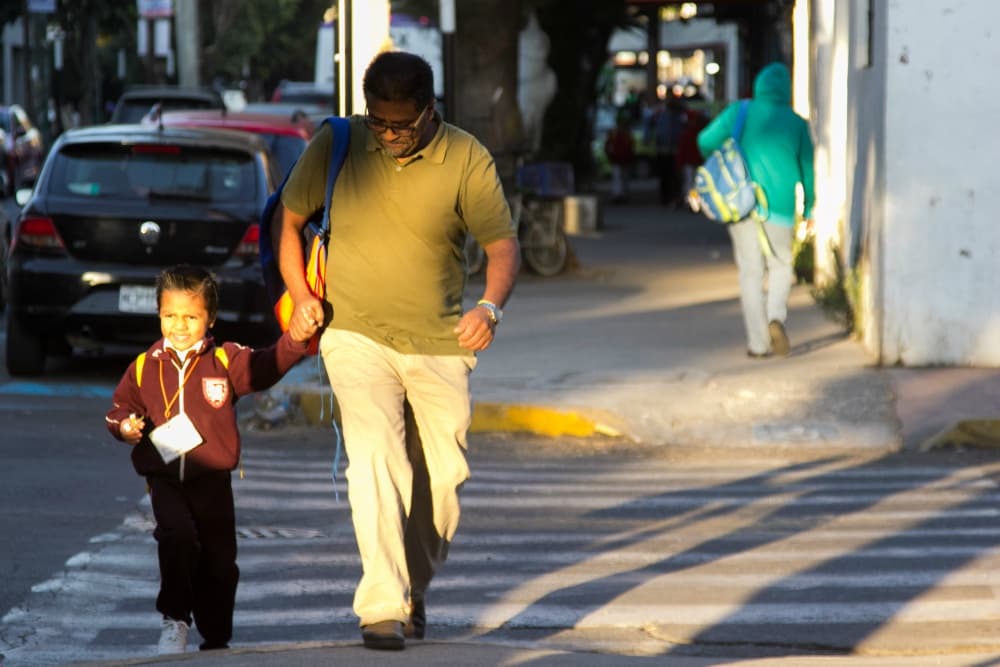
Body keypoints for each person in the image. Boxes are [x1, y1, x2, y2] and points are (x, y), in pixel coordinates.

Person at [276, 50, 520, 651]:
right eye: (378, 121)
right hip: (353, 333)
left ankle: (412, 587)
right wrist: (301, 294)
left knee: (442, 479)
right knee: (377, 460)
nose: (387, 135)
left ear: (429, 110)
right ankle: (382, 604)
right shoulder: (338, 144)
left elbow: (502, 246)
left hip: (440, 341)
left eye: (401, 125)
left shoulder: (465, 157)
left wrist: (488, 307)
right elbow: (289, 223)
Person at [105, 265, 318, 655]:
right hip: (165, 478)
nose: (179, 326)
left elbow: (266, 367)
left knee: (220, 561)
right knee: (177, 536)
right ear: (158, 315)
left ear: (211, 318)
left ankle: (216, 633)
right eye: (170, 316)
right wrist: (125, 427)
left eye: (191, 316)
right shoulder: (142, 366)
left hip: (213, 481)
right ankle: (175, 619)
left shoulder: (225, 359)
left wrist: (296, 340)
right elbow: (119, 409)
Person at [696, 62, 815, 359]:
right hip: (780, 208)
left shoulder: (740, 112)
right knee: (781, 265)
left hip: (742, 203)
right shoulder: (797, 123)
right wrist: (810, 206)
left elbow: (704, 141)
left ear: (759, 86)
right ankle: (776, 315)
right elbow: (808, 171)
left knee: (751, 273)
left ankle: (758, 344)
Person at [646, 94, 685, 206]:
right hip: (664, 149)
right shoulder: (660, 114)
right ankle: (667, 198)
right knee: (666, 175)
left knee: (673, 175)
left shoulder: (677, 115)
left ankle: (672, 197)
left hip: (673, 149)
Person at [604, 111, 635, 203]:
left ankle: (620, 194)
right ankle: (619, 194)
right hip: (619, 159)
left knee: (620, 177)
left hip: (622, 159)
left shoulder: (624, 134)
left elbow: (630, 146)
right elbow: (608, 146)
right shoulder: (617, 134)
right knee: (618, 177)